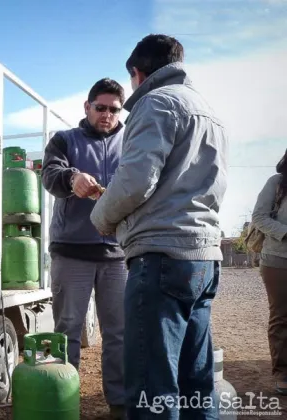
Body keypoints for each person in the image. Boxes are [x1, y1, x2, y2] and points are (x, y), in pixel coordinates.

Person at [90, 34, 229, 419]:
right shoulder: (210, 112)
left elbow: (136, 181)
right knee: (196, 383)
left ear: (137, 73)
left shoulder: (156, 103)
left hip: (161, 257)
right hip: (203, 258)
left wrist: (101, 216)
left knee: (153, 387)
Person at [41, 78, 127, 419]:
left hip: (118, 255)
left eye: (114, 109)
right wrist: (72, 178)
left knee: (118, 333)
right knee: (68, 331)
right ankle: (64, 401)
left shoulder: (132, 141)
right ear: (87, 107)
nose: (106, 115)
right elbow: (50, 174)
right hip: (71, 251)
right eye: (100, 108)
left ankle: (119, 403)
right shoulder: (64, 140)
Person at [251, 149, 287, 395]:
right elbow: (259, 217)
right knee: (281, 316)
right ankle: (283, 372)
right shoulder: (276, 184)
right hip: (277, 261)